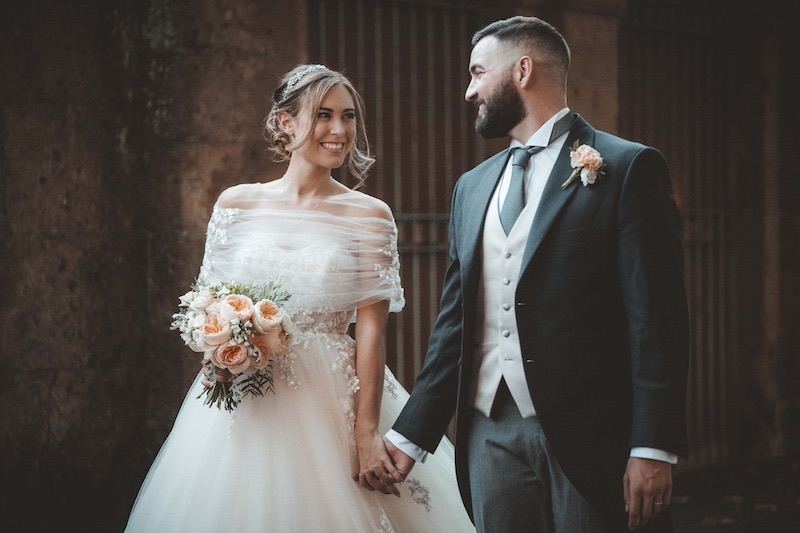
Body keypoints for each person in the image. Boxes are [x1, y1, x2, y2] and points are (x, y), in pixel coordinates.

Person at [125, 64, 475, 532]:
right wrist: (219, 353)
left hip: (331, 398)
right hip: (244, 402)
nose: (339, 130)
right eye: (324, 115)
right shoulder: (236, 203)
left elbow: (370, 332)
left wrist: (366, 433)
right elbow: (207, 303)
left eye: (348, 117)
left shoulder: (369, 216)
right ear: (285, 122)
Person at [379, 16, 690, 533]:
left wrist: (652, 446)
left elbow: (656, 319)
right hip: (488, 435)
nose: (468, 90)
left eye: (478, 72)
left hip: (592, 435)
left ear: (523, 70)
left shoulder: (627, 167)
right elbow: (456, 324)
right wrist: (410, 436)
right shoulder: (471, 187)